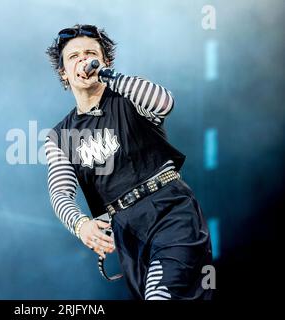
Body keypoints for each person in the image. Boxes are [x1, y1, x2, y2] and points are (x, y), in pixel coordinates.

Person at [44, 24, 213, 300]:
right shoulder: (60, 137)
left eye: (90, 53)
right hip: (127, 231)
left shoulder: (129, 98)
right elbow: (60, 192)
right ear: (64, 73)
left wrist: (108, 76)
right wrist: (80, 224)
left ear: (105, 60)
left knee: (160, 295)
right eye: (73, 56)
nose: (83, 60)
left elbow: (165, 102)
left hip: (170, 212)